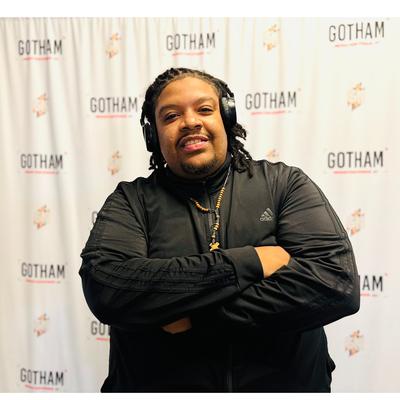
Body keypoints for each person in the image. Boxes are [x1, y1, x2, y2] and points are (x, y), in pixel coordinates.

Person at [79, 67, 360, 392]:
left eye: (204, 109)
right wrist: (251, 262)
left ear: (226, 118)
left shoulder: (283, 184)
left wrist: (197, 320)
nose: (190, 122)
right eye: (171, 116)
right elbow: (109, 288)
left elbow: (335, 283)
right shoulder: (131, 201)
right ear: (153, 135)